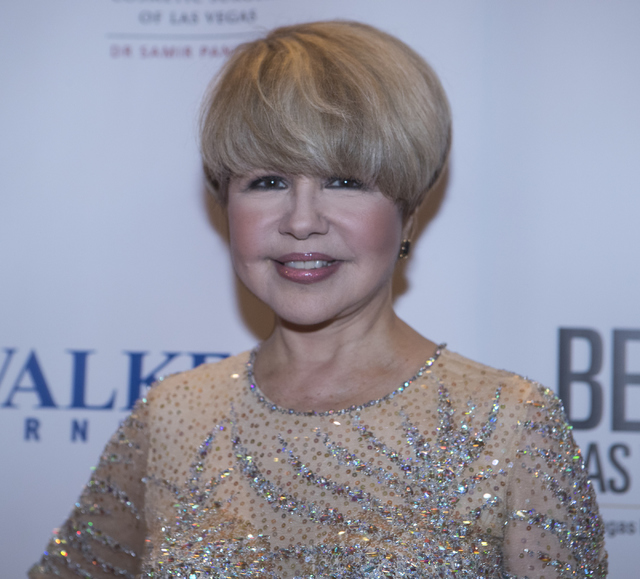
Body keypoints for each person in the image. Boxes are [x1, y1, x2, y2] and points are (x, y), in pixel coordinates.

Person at [30, 20, 607, 579]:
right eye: (268, 182)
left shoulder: (509, 421)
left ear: (407, 213)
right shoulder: (174, 414)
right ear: (225, 205)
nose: (302, 221)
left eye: (346, 181)